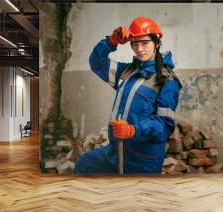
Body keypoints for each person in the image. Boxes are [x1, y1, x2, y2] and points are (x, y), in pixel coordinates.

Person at [75, 17, 182, 174]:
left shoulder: (167, 80)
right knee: (84, 165)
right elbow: (97, 62)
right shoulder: (127, 72)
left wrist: (133, 130)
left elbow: (165, 125)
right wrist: (112, 41)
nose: (139, 49)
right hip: (116, 151)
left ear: (157, 43)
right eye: (135, 44)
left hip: (143, 159)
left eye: (144, 43)